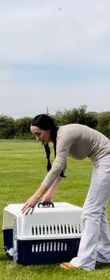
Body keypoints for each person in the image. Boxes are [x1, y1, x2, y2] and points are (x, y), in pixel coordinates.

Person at [21, 114, 110, 271]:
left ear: (48, 129)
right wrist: (49, 193)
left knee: (90, 212)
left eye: (38, 134)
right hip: (102, 161)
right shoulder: (59, 137)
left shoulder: (64, 135)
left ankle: (84, 262)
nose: (37, 138)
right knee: (97, 211)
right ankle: (105, 254)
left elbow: (56, 168)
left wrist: (36, 196)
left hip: (106, 160)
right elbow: (62, 168)